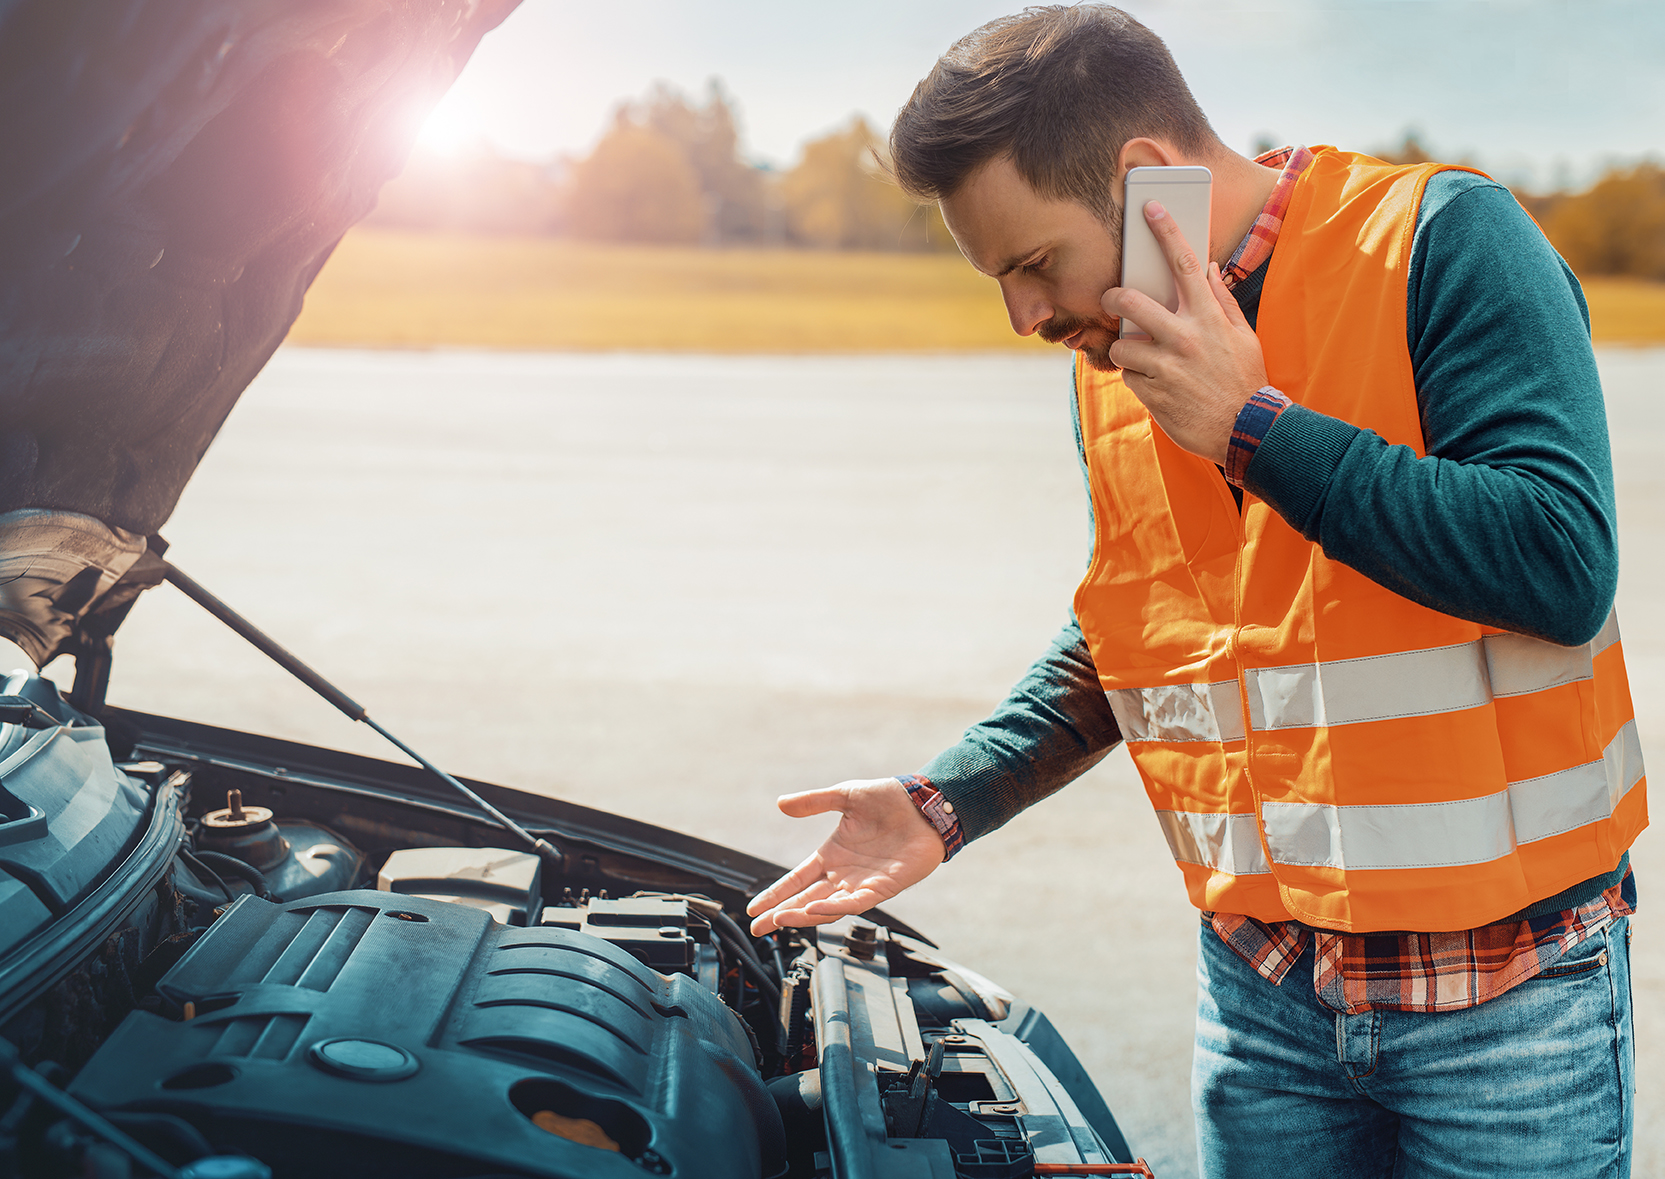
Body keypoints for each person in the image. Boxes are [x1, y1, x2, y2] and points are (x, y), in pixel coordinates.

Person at [745, 6, 1645, 1177]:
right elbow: (1144, 626)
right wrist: (950, 797)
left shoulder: (1446, 240)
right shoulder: (1118, 347)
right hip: (1263, 1001)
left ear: (1137, 182)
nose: (1022, 317)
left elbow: (1559, 561)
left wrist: (1253, 431)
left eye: (1030, 264)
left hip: (1505, 1010)